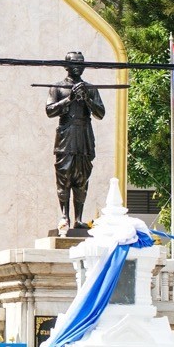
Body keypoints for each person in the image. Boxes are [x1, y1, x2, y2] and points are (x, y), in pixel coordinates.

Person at [45, 51, 105, 229]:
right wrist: (69, 99)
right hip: (66, 134)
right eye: (74, 63)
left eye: (81, 63)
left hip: (85, 134)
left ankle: (78, 219)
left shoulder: (90, 88)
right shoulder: (57, 87)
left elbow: (100, 113)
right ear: (66, 66)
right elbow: (49, 111)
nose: (78, 67)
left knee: (82, 177)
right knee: (64, 176)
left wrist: (87, 99)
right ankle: (64, 217)